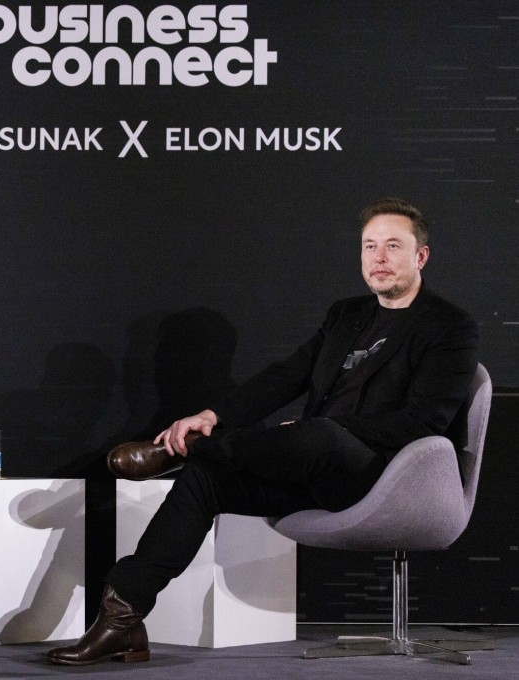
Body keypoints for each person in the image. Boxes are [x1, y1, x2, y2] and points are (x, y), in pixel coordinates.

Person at [47, 198, 479, 665]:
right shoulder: (345, 315)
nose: (378, 257)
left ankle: (193, 451)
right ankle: (122, 620)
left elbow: (424, 422)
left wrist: (322, 428)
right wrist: (214, 415)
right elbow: (287, 375)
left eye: (393, 246)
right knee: (204, 483)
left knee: (318, 435)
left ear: (421, 256)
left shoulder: (449, 326)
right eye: (369, 246)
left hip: (385, 476)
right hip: (311, 465)